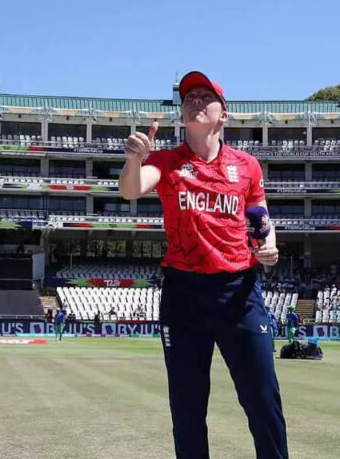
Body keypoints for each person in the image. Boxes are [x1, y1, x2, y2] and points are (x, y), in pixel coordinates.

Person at [120, 71, 288, 458]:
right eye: (188, 97)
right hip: (184, 295)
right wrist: (133, 159)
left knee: (263, 402)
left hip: (239, 292)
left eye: (205, 96)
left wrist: (271, 247)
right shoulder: (165, 161)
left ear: (223, 115)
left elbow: (260, 217)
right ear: (181, 116)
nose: (195, 100)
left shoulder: (247, 166)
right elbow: (130, 190)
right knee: (188, 409)